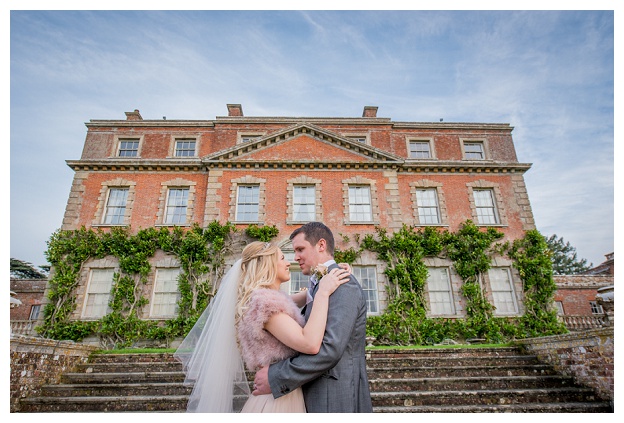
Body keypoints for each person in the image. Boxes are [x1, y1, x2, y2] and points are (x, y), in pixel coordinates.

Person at [174, 240, 350, 412]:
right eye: (282, 258)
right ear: (268, 264)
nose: (288, 262)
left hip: (279, 393)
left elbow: (296, 299)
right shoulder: (266, 304)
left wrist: (330, 271)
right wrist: (324, 292)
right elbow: (309, 343)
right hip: (278, 402)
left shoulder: (264, 300)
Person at [252, 222, 373, 413]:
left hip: (332, 396)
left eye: (300, 249)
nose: (295, 257)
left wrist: (276, 376)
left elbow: (329, 349)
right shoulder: (323, 284)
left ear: (321, 245)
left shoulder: (342, 284)